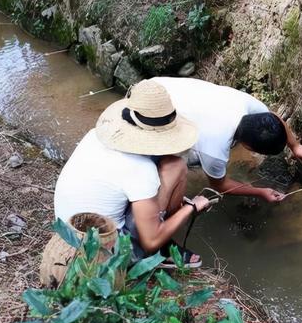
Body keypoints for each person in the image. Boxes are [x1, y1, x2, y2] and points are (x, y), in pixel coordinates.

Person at [54, 80, 210, 266]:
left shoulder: (93, 136)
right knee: (175, 166)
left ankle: (157, 226)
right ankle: (160, 248)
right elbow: (149, 241)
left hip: (66, 234)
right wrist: (191, 208)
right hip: (100, 254)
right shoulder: (140, 170)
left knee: (166, 169)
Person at [150, 77, 302, 202]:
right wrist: (260, 192)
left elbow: (274, 118)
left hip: (160, 85)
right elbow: (219, 185)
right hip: (151, 109)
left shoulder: (247, 105)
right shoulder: (214, 148)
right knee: (170, 165)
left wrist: (295, 146)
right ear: (249, 147)